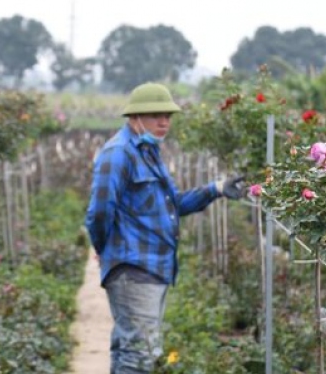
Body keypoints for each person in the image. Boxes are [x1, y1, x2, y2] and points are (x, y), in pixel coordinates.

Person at [84, 82, 244, 373]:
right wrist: (104, 248)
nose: (164, 121)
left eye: (168, 115)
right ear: (134, 117)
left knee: (130, 349)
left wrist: (216, 188)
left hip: (154, 267)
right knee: (141, 354)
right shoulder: (118, 153)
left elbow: (173, 205)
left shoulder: (148, 152)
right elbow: (98, 212)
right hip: (133, 268)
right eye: (156, 114)